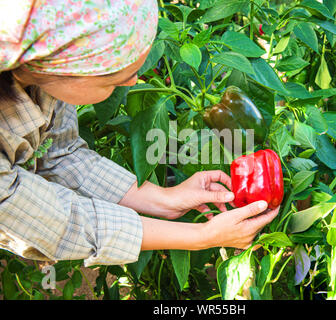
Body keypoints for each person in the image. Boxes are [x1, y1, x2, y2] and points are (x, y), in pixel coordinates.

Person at [0, 0, 279, 267]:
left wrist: (163, 199)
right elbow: (43, 217)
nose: (134, 81)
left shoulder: (45, 73)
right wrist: (201, 237)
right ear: (62, 69)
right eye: (112, 81)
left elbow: (60, 153)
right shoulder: (50, 68)